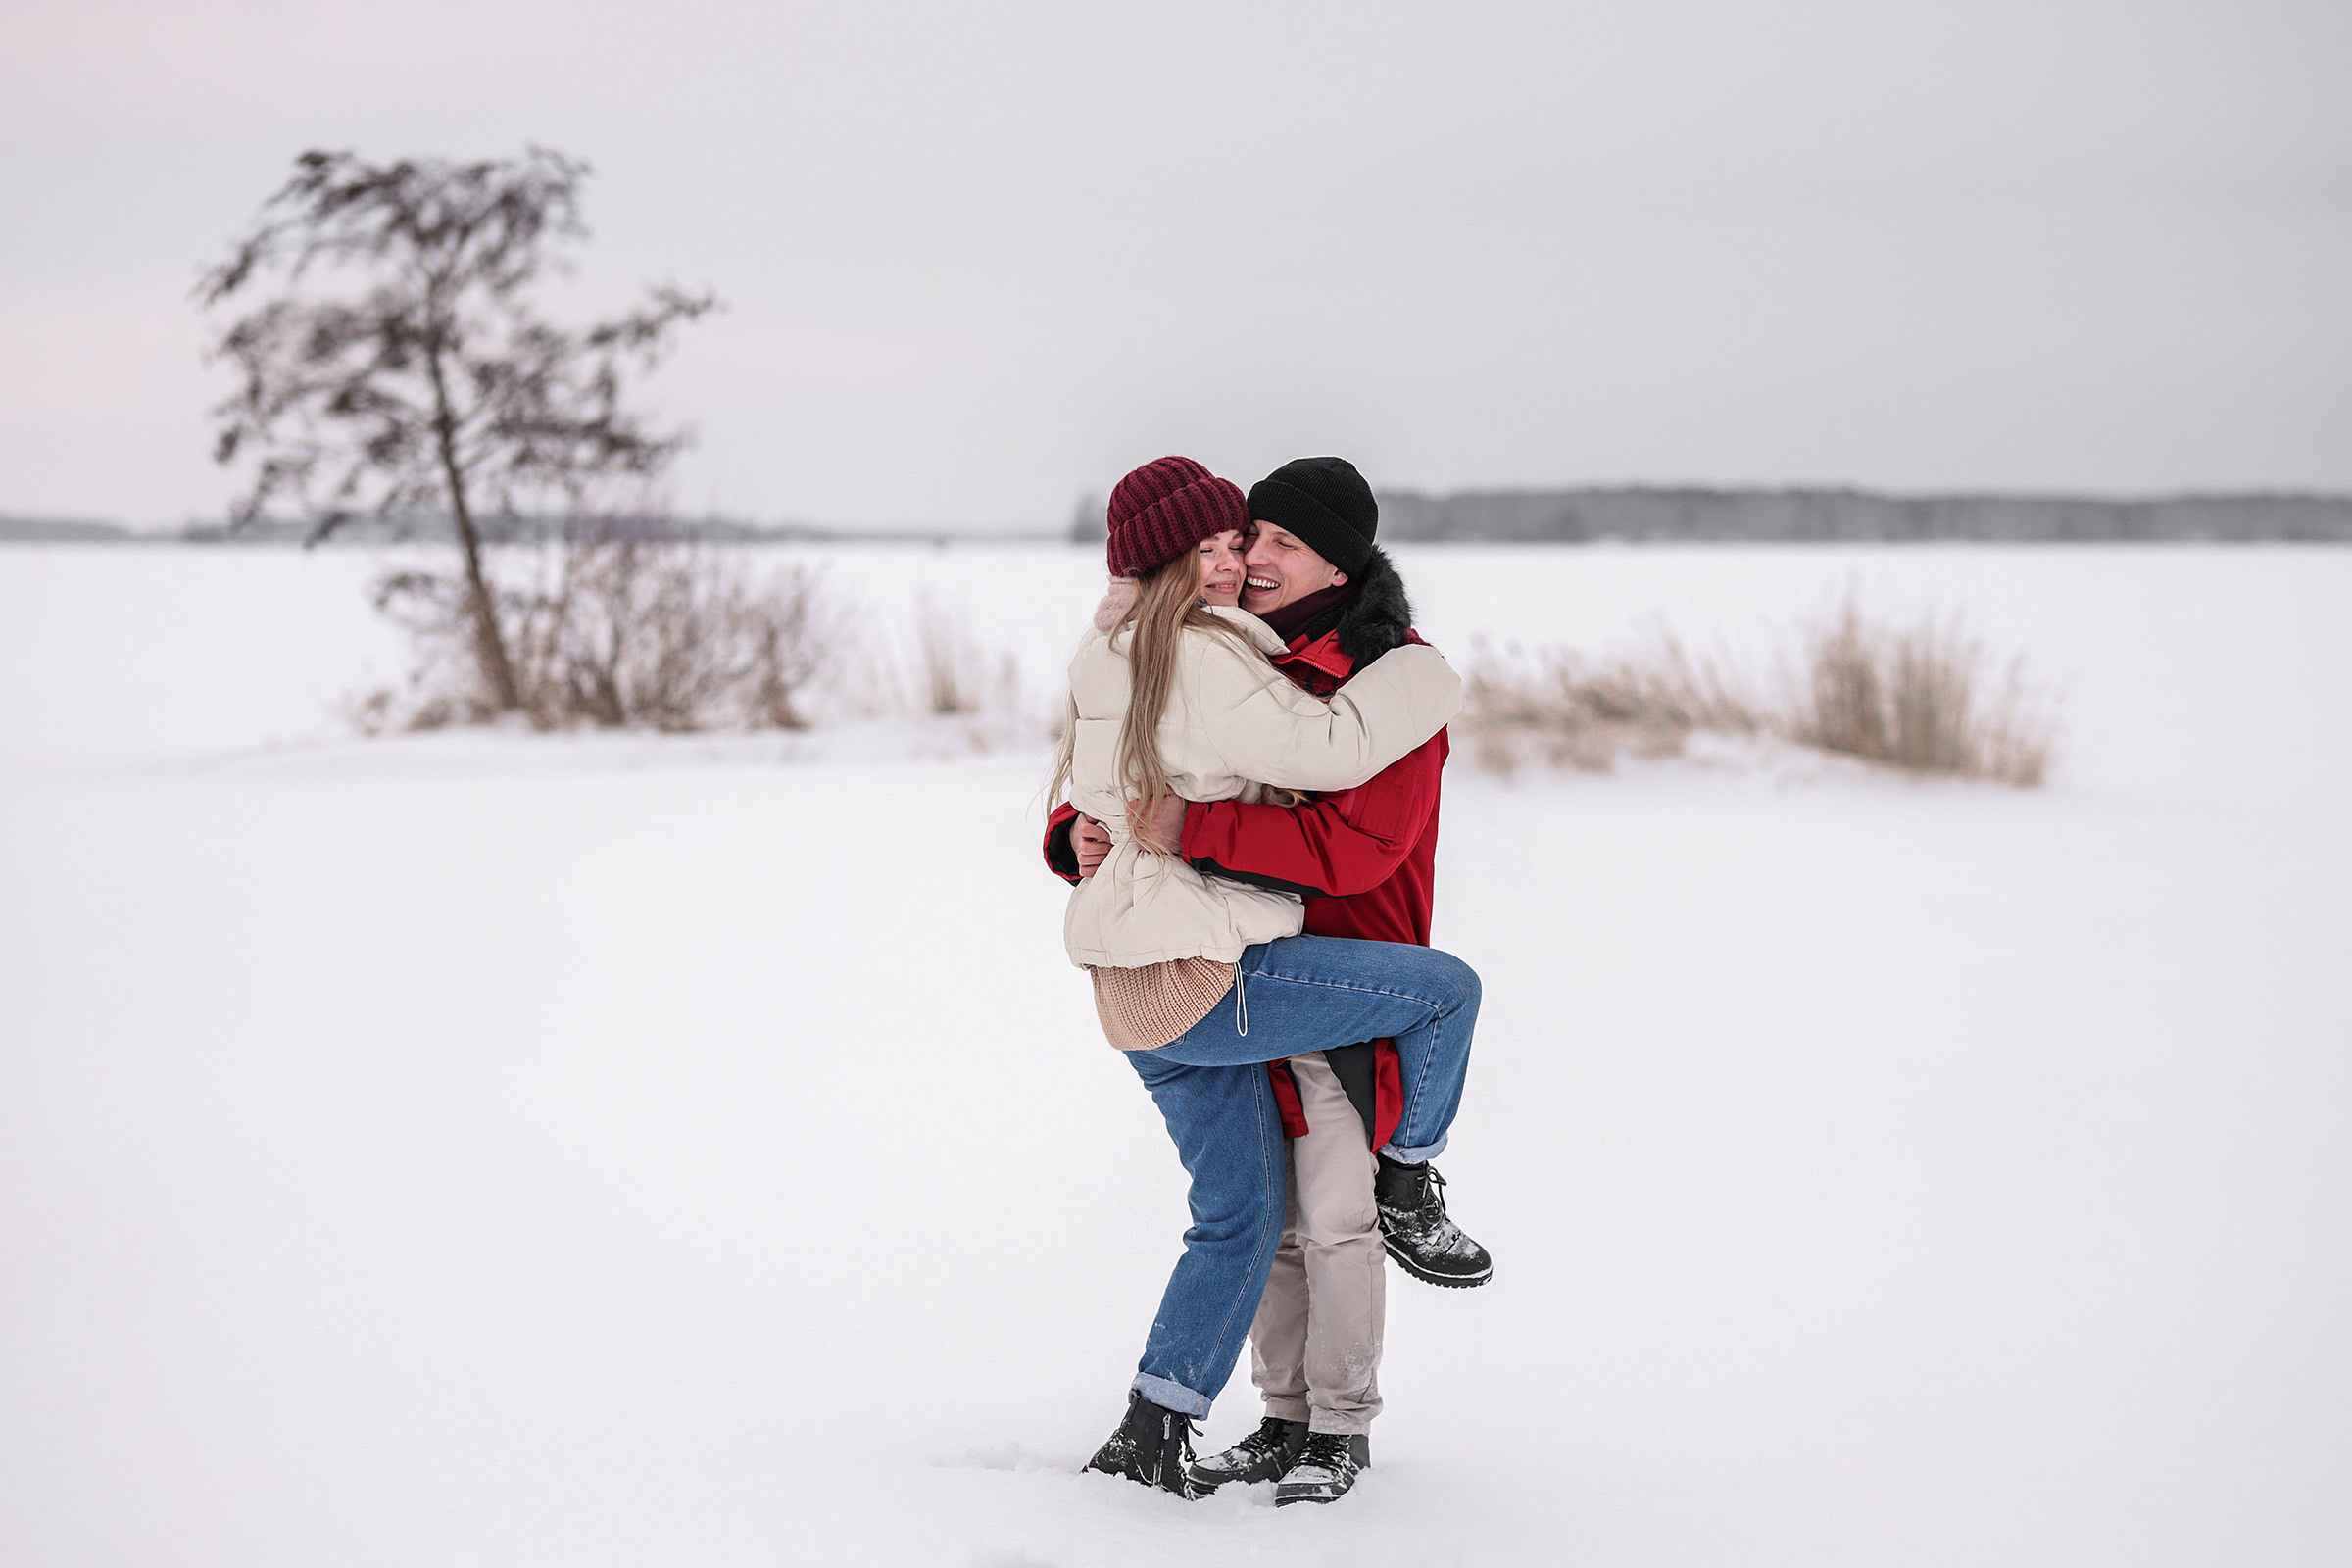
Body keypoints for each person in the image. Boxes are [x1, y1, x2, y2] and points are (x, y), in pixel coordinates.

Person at [1048, 457, 1484, 1507]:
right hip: (1237, 960)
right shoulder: (1226, 653)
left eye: (1275, 542)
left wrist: (1182, 831)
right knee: (1268, 1217)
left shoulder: (1374, 671)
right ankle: (1282, 1418)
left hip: (1330, 966)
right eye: (1244, 539)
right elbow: (1121, 772)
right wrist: (1079, 836)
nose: (1251, 559)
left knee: (1331, 1213)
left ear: (1340, 559)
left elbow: (1354, 852)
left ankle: (1337, 1425)